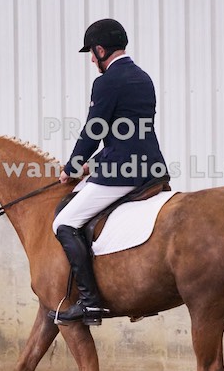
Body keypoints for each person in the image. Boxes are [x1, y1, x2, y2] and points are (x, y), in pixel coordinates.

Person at [51, 18, 168, 324]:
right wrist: (93, 163)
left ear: (101, 50)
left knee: (64, 222)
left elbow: (95, 130)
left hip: (123, 173)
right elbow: (128, 133)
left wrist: (72, 166)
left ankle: (90, 303)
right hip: (151, 166)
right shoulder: (143, 77)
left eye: (91, 53)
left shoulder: (107, 82)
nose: (91, 60)